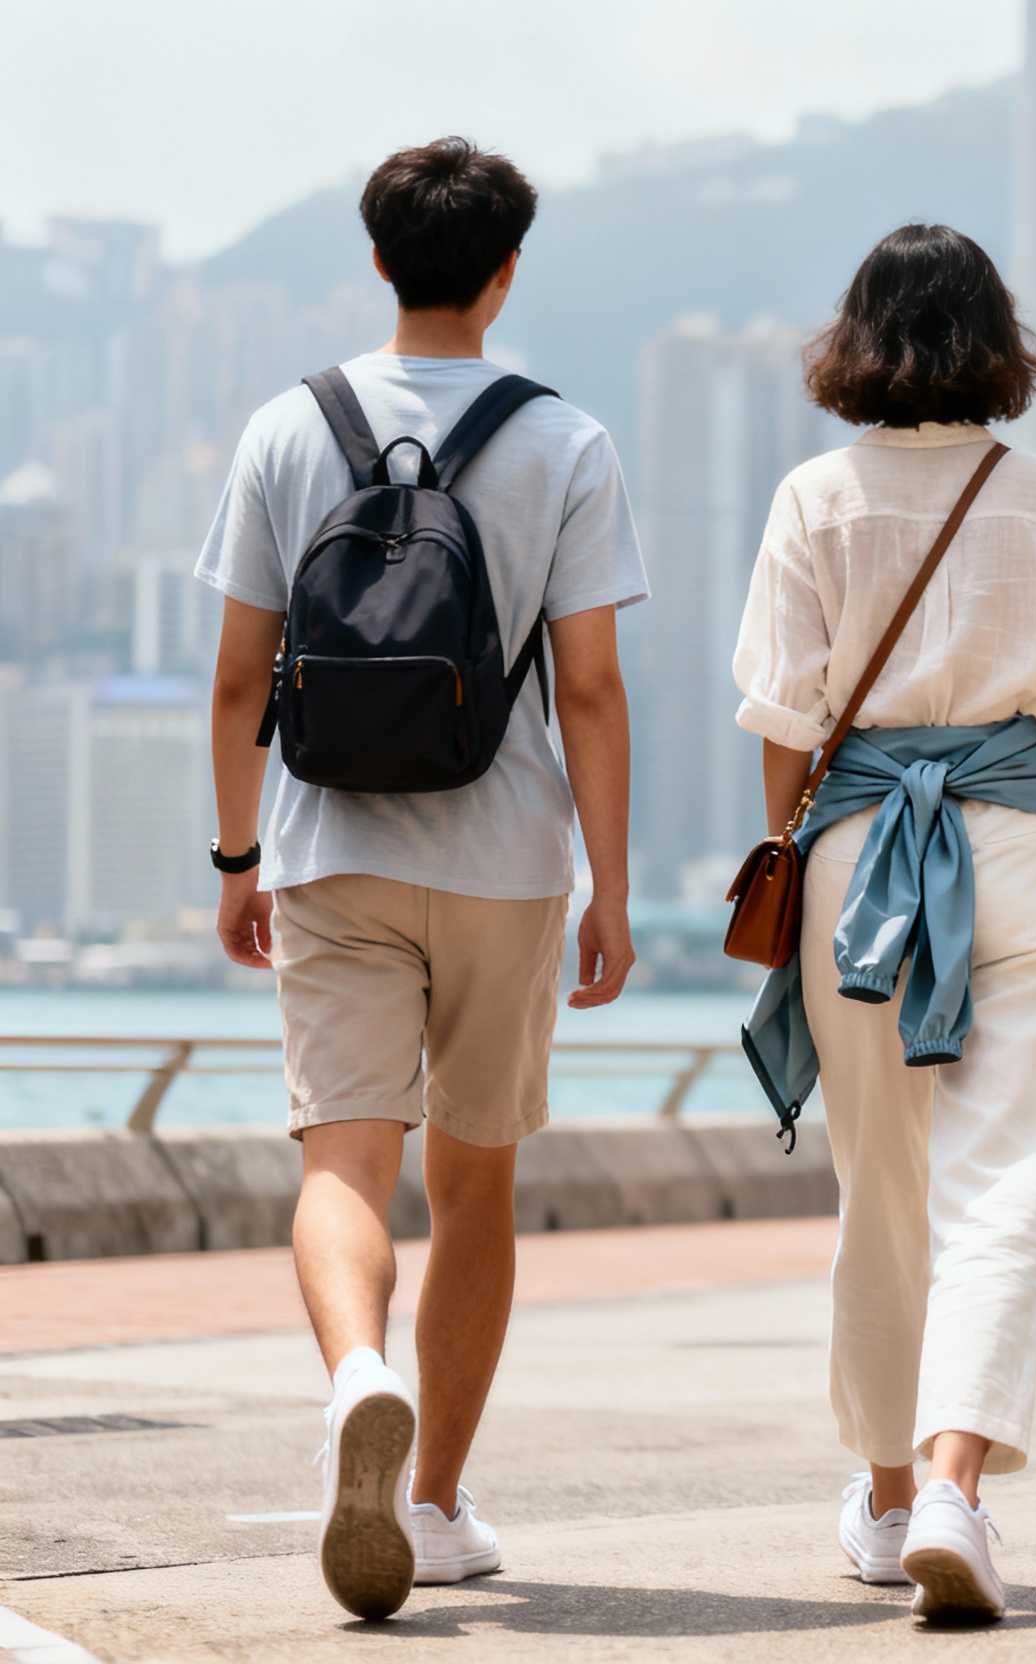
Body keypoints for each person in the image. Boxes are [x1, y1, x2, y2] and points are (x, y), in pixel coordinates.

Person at [197, 137, 647, 1620]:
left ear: (378, 261)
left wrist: (236, 858)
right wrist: (612, 888)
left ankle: (357, 1379)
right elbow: (589, 691)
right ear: (506, 270)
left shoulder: (286, 428)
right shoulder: (565, 442)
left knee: (343, 1161)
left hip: (329, 845)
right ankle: (438, 1501)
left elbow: (233, 680)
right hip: (507, 859)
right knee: (476, 1188)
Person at [730, 223, 1036, 1626]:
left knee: (882, 1190)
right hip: (1022, 848)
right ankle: (960, 1484)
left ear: (859, 340)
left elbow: (785, 726)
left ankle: (891, 1493)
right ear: (994, 341)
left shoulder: (813, 497)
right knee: (1001, 1183)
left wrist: (792, 856)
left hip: (854, 865)